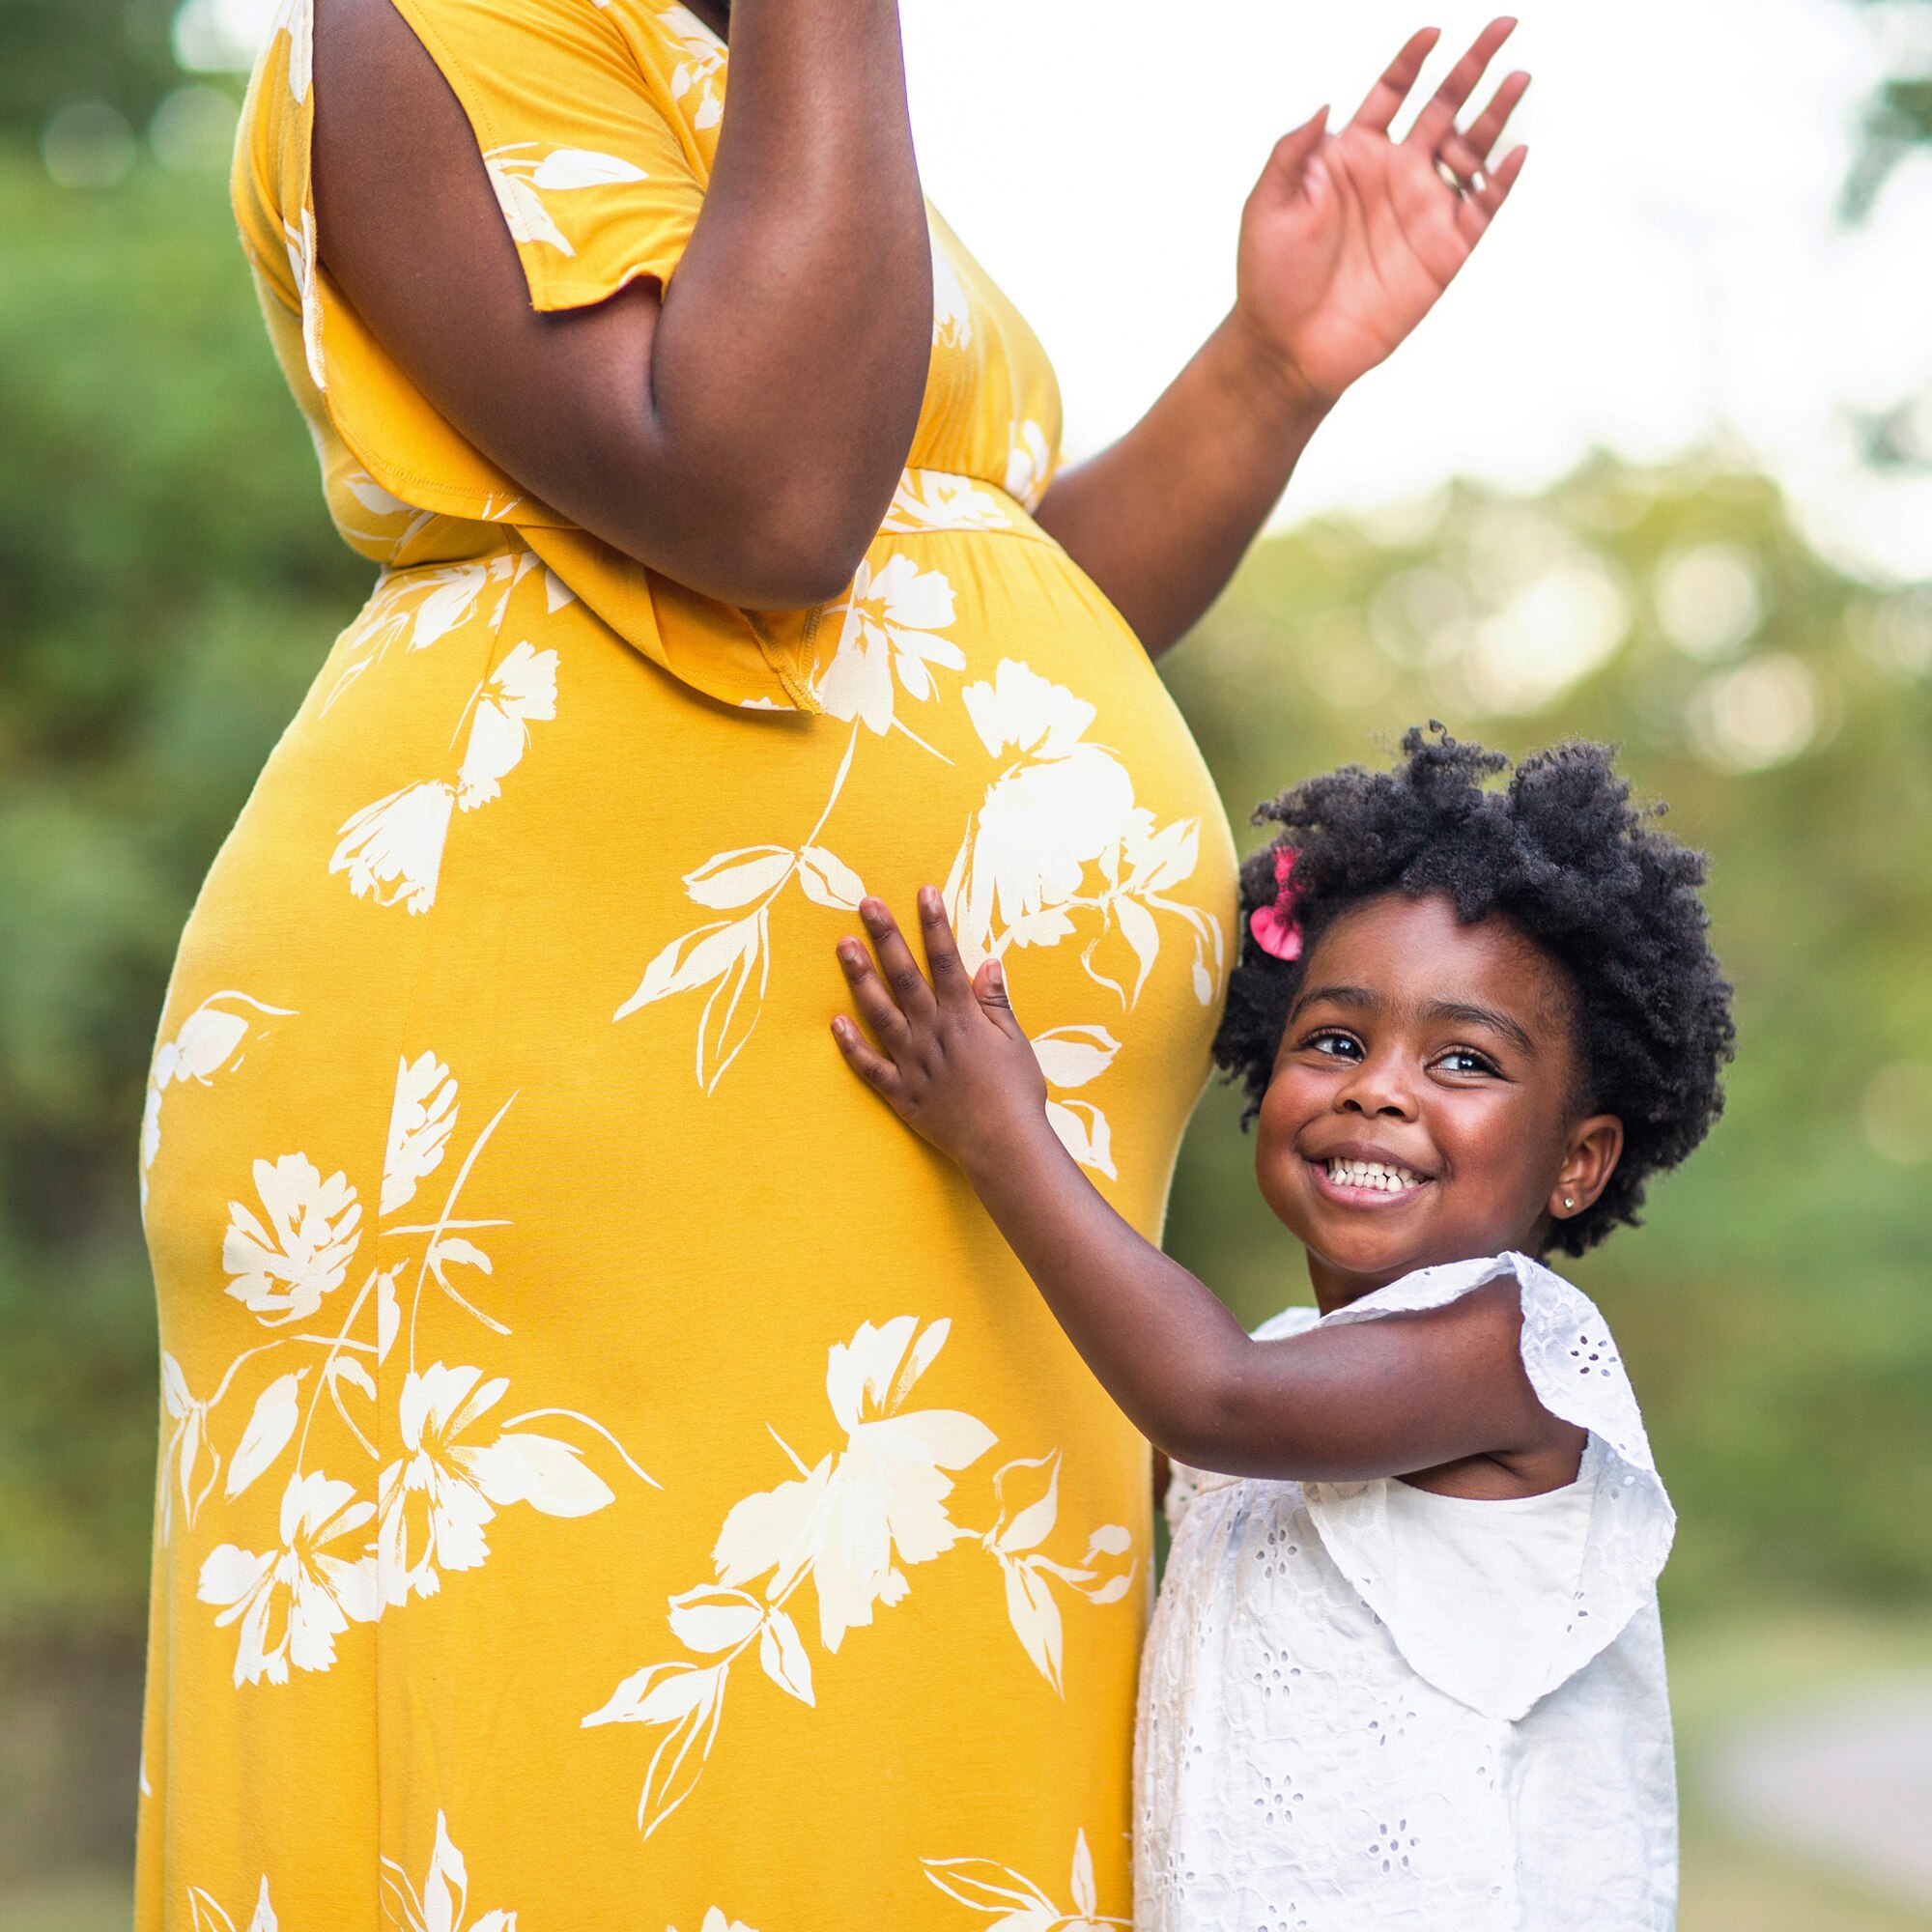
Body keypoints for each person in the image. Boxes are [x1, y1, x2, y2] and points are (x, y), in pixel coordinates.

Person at [135, 0, 1531, 1920]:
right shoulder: (457, 20)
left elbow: (960, 616)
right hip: (572, 1088)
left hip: (908, 1158)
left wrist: (1263, 376)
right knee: (597, 1781)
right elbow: (765, 506)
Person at [830, 728, 1736, 1928]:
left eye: (1463, 1058)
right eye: (1335, 1040)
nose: (1377, 1086)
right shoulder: (1280, 1381)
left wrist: (1001, 1132)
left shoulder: (1509, 1350)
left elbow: (1206, 1393)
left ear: (1576, 1160)